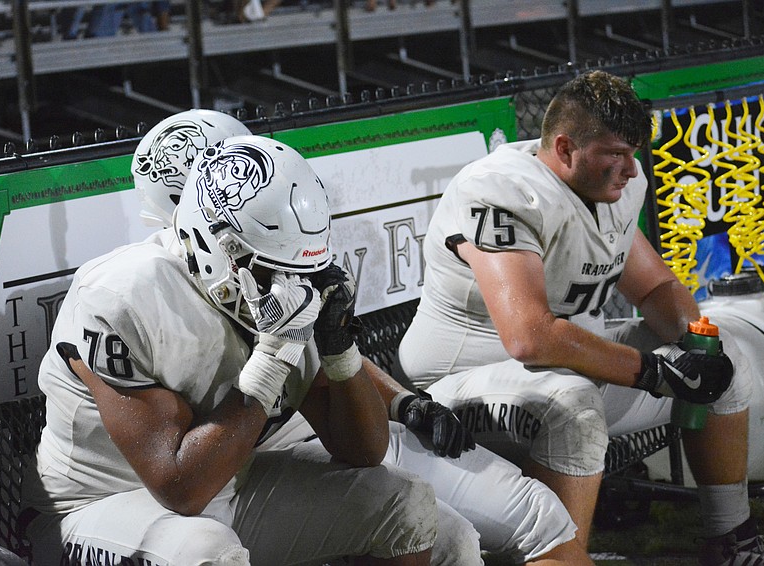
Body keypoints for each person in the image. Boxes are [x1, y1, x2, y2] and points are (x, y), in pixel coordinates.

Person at [128, 109, 596, 565]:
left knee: (539, 517)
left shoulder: (279, 237)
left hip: (338, 423)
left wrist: (403, 403)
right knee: (448, 536)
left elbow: (322, 349)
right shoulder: (151, 293)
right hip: (263, 460)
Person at [397, 69, 764, 565]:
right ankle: (560, 557)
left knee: (725, 366)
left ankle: (731, 540)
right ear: (566, 148)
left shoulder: (610, 188)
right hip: (459, 383)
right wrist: (653, 372)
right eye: (615, 155)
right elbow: (528, 337)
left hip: (565, 366)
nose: (631, 170)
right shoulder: (499, 192)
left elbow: (657, 286)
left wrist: (694, 347)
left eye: (633, 153)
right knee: (573, 408)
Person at [20, 134, 446, 565]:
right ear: (214, 248)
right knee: (207, 554)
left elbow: (363, 452)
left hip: (225, 484)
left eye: (301, 267)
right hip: (95, 507)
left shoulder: (285, 290)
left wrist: (339, 349)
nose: (290, 283)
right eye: (272, 267)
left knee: (404, 505)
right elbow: (179, 487)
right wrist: (274, 355)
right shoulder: (122, 297)